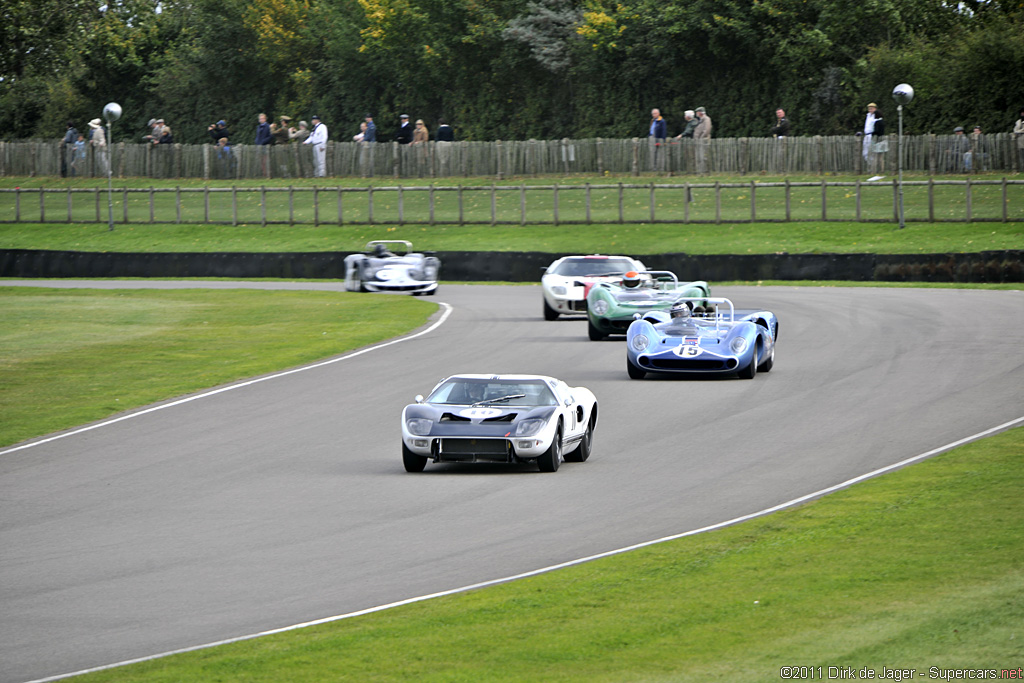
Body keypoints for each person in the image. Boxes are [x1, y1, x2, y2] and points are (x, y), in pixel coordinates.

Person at [693, 106, 712, 174]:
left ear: (701, 113)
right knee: (700, 157)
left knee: (704, 157)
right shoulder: (701, 120)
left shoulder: (706, 119)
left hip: (704, 141)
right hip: (699, 142)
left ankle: (705, 171)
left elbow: (707, 130)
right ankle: (700, 171)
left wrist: (700, 138)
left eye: (697, 112)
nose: (696, 113)